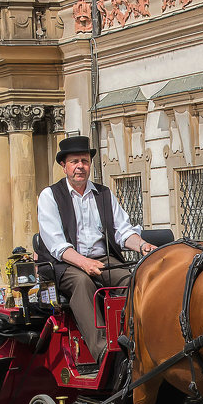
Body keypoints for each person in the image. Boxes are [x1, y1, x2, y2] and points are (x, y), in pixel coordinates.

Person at [37, 135, 157, 361]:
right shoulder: (50, 196)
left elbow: (122, 231)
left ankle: (137, 337)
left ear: (90, 164)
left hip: (102, 259)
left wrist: (142, 245)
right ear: (64, 166)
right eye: (74, 162)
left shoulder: (103, 194)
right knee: (83, 283)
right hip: (64, 264)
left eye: (84, 161)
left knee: (132, 280)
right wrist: (85, 263)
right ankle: (103, 351)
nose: (80, 167)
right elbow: (56, 245)